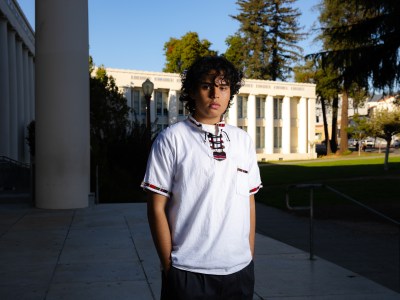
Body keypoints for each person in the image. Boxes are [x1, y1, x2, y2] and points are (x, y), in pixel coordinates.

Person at [141, 56, 262, 300]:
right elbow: (156, 207)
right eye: (207, 86)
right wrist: (170, 267)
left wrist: (249, 255)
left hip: (239, 271)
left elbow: (249, 201)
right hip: (188, 272)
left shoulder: (242, 141)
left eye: (223, 87)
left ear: (230, 93)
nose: (215, 94)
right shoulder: (171, 139)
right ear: (193, 92)